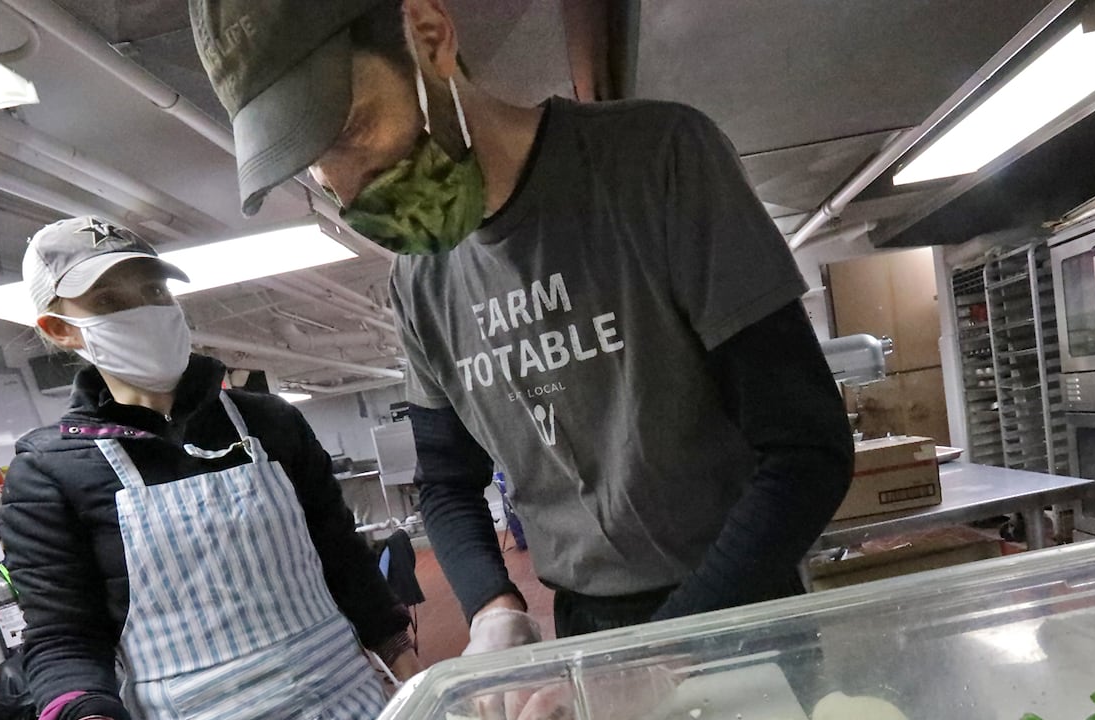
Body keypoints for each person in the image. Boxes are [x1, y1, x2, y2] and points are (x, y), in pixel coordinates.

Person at [190, 0, 852, 652]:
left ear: (429, 33)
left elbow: (807, 450)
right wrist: (491, 606)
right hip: (587, 624)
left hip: (741, 605)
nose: (351, 189)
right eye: (315, 167)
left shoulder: (658, 162)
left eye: (352, 129)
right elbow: (447, 484)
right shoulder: (420, 283)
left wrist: (669, 653)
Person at [0, 217, 420, 720]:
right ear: (61, 329)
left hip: (350, 715)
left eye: (153, 292)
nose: (144, 310)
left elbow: (340, 556)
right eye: (110, 302)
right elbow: (65, 634)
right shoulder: (50, 473)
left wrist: (406, 664)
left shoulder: (270, 423)